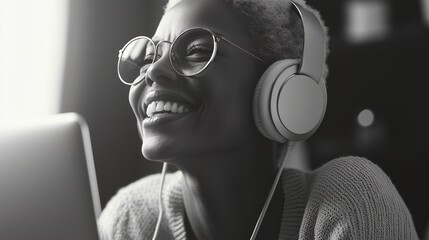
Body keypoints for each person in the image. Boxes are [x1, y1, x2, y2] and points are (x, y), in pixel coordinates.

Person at [98, 0, 419, 239]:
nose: (152, 71)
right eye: (150, 55)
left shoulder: (351, 200)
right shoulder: (131, 220)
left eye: (195, 50)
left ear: (283, 90)